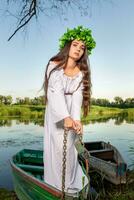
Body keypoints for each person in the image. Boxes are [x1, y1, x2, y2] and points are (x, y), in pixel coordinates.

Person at [43, 26, 96, 194]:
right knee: (58, 148)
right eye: (75, 45)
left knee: (70, 150)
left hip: (70, 114)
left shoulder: (80, 73)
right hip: (56, 111)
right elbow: (56, 93)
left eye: (82, 48)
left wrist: (76, 119)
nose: (78, 50)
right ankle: (58, 185)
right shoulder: (54, 65)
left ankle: (73, 184)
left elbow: (77, 97)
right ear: (68, 45)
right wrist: (65, 116)